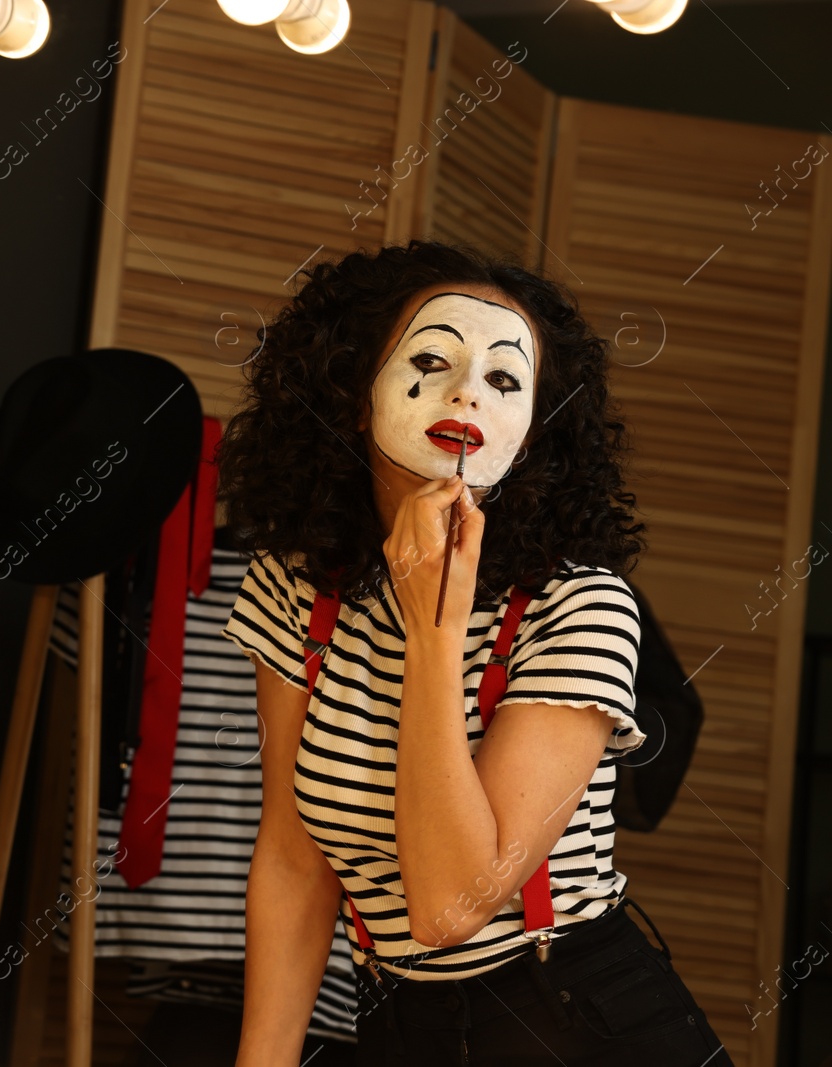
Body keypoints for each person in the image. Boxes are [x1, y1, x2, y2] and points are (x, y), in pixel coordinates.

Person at [215, 241, 732, 1065]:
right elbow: (291, 858)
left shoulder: (581, 606)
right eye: (431, 358)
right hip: (397, 1024)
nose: (468, 393)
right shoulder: (294, 588)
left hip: (572, 1020)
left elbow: (454, 904)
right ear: (353, 395)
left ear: (530, 431)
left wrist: (434, 629)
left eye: (503, 379)